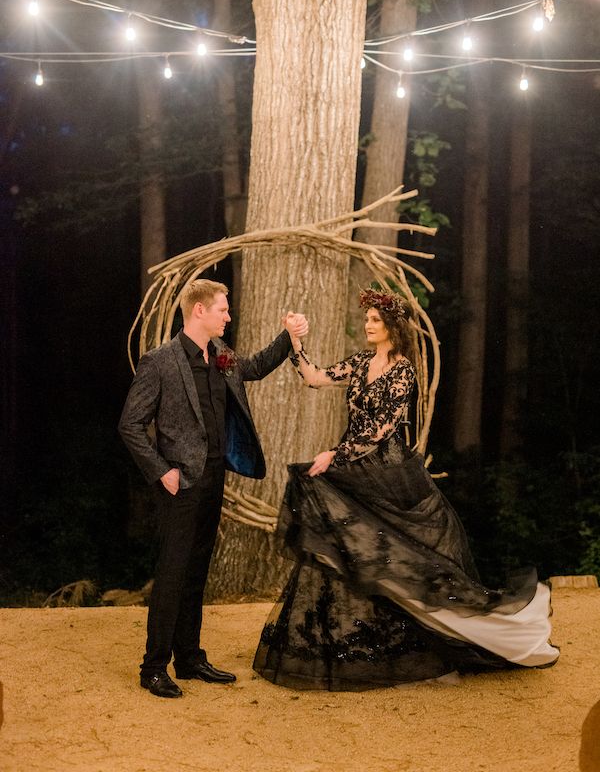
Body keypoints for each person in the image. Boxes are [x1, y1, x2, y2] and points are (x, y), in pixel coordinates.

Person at [253, 288, 559, 691]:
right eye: (366, 320)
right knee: (348, 547)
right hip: (353, 464)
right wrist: (295, 342)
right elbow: (315, 377)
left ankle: (454, 639)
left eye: (375, 321)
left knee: (399, 557)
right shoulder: (362, 362)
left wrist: (335, 453)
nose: (368, 325)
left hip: (389, 471)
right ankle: (350, 645)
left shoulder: (403, 372)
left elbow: (381, 430)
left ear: (392, 326)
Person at [119, 278, 307, 698]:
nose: (228, 315)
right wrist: (161, 470)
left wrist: (289, 338)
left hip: (214, 477)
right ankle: (153, 668)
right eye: (223, 309)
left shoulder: (221, 355)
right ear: (199, 311)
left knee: (197, 569)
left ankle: (188, 659)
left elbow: (255, 366)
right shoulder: (161, 362)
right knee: (172, 572)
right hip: (179, 484)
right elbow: (130, 425)